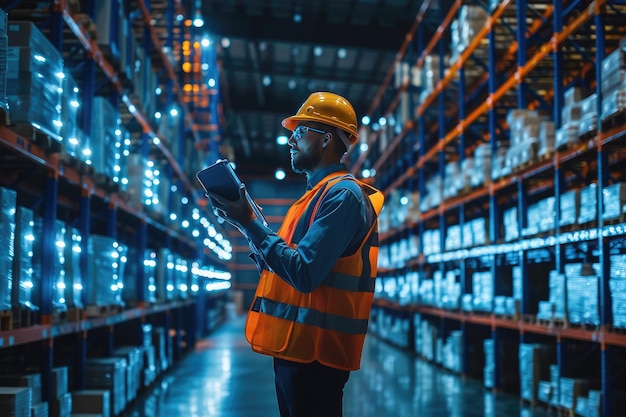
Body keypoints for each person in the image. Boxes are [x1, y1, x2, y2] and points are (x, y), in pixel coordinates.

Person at [207, 92, 384, 417]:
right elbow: (286, 267)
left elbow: (304, 272)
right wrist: (249, 226)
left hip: (317, 355)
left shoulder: (343, 196)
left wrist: (250, 223)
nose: (291, 139)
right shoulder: (311, 198)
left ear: (327, 137)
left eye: (301, 131)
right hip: (297, 348)